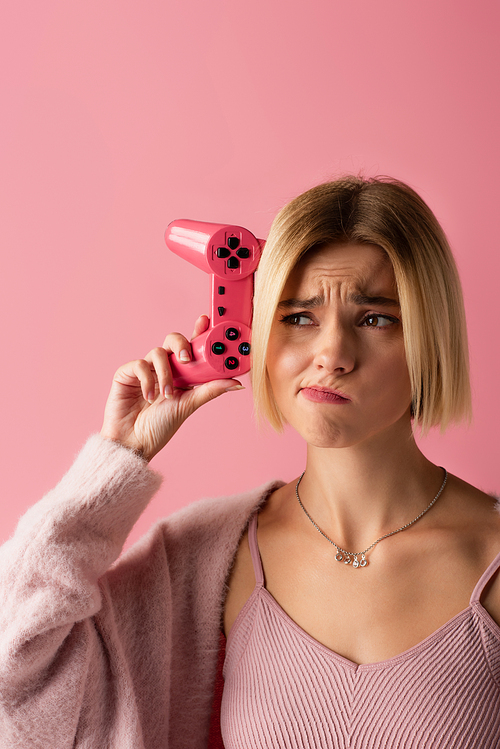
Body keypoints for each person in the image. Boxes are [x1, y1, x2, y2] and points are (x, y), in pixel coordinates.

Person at [0, 176, 498, 749]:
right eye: (298, 317)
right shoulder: (209, 554)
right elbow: (16, 680)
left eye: (374, 319)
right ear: (258, 333)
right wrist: (116, 462)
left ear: (429, 339)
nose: (331, 355)